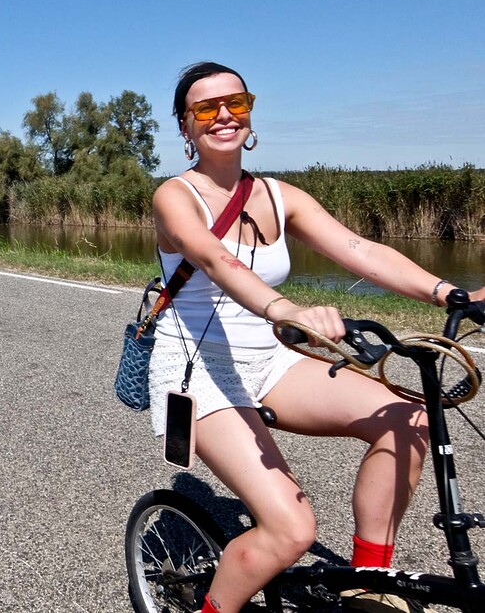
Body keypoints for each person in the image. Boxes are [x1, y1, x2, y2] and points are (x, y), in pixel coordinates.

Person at [148, 61, 485, 613]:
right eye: (206, 108)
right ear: (186, 127)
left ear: (251, 111)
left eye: (237, 102)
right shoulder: (175, 197)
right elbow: (215, 259)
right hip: (198, 371)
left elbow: (359, 251)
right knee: (291, 530)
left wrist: (452, 293)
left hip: (270, 360)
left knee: (409, 419)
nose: (225, 115)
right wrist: (288, 308)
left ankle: (368, 580)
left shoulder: (281, 196)